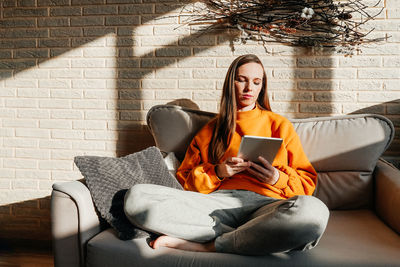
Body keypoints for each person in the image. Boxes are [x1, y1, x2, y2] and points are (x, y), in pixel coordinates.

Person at [124, 54, 329, 256]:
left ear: (262, 87)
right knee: (136, 198)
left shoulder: (280, 125)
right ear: (231, 83)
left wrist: (277, 178)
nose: (249, 88)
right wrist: (218, 171)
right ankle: (250, 238)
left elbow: (307, 183)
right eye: (242, 80)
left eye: (257, 82)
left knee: (314, 211)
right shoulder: (211, 130)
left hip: (269, 206)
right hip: (217, 206)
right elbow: (185, 182)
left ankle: (210, 245)